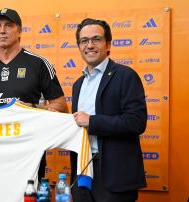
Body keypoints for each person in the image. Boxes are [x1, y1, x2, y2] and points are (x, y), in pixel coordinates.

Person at [0, 8, 68, 181]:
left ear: (20, 31)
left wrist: (30, 107)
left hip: (28, 154)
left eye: (9, 25)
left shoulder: (38, 64)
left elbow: (61, 107)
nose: (2, 30)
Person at [70, 18, 147, 202]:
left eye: (96, 39)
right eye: (84, 41)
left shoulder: (125, 76)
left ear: (108, 44)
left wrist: (92, 121)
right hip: (83, 174)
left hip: (115, 178)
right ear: (79, 46)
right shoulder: (77, 84)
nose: (90, 45)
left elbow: (136, 122)